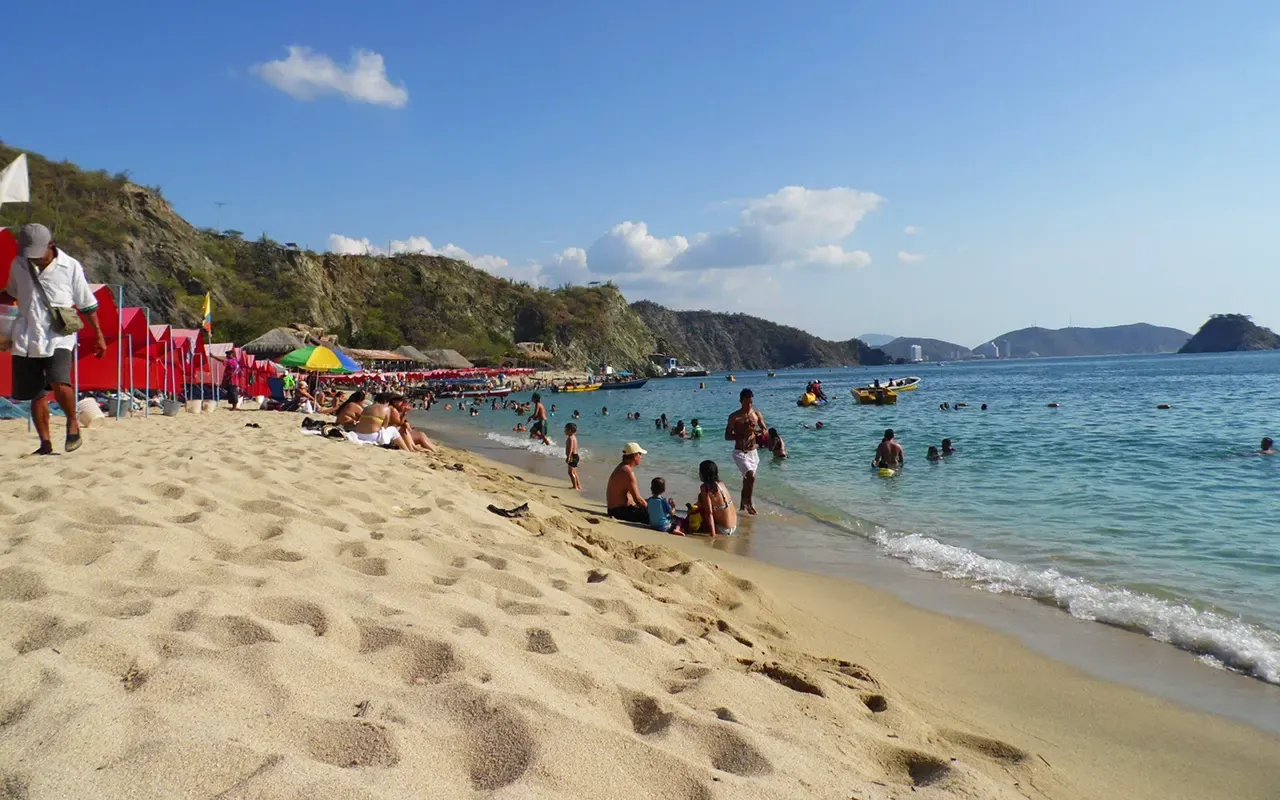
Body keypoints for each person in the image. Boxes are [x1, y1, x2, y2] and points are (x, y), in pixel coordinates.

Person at [0, 224, 107, 455]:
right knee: (36, 393)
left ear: (51, 245)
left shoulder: (70, 266)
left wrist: (99, 335)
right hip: (26, 334)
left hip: (59, 334)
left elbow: (87, 304)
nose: (33, 258)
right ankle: (45, 443)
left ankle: (72, 423)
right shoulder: (19, 264)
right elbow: (12, 293)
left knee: (60, 380)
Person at [725, 388, 765, 515]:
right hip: (740, 452)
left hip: (753, 452)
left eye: (751, 402)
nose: (749, 405)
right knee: (750, 476)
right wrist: (742, 434)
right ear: (741, 401)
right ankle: (749, 504)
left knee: (747, 480)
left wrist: (758, 432)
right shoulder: (734, 417)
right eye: (747, 402)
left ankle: (742, 506)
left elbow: (764, 429)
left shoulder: (756, 414)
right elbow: (727, 436)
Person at [606, 443, 649, 524]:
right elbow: (637, 499)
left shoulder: (622, 467)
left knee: (651, 502)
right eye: (640, 454)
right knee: (652, 516)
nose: (641, 457)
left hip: (615, 510)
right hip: (619, 512)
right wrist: (650, 510)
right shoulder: (627, 472)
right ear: (635, 456)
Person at [695, 460, 737, 537]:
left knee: (698, 515)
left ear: (703, 474)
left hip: (723, 529)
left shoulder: (705, 488)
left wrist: (713, 535)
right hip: (733, 526)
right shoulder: (721, 484)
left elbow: (709, 513)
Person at [565, 423, 582, 490]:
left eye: (565, 429)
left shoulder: (570, 438)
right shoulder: (574, 437)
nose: (564, 431)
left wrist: (568, 457)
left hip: (572, 456)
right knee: (574, 472)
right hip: (575, 456)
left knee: (570, 473)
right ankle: (578, 485)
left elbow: (571, 448)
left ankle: (575, 486)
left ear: (569, 431)